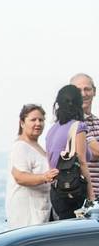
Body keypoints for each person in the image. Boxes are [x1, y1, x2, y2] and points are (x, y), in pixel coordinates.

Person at [44, 85, 95, 220]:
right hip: (73, 192)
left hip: (57, 193)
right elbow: (82, 162)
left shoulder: (52, 130)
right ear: (78, 103)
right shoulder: (78, 126)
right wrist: (91, 197)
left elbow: (51, 163)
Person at [5, 104, 56, 228]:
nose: (38, 123)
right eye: (33, 120)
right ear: (22, 123)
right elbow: (20, 177)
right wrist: (45, 177)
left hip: (41, 212)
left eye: (41, 120)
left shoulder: (38, 147)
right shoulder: (20, 146)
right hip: (26, 216)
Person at [70, 73, 99, 194]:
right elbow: (96, 152)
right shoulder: (72, 123)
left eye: (87, 89)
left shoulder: (97, 121)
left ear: (94, 91)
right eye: (78, 90)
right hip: (86, 200)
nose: (83, 94)